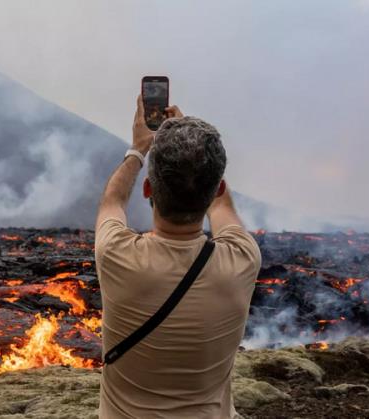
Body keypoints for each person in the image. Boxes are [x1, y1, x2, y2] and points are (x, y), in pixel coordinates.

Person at [95, 94, 261, 418]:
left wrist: (137, 149)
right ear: (218, 189)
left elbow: (111, 202)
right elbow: (222, 207)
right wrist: (194, 150)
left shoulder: (116, 255)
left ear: (148, 191)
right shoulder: (242, 259)